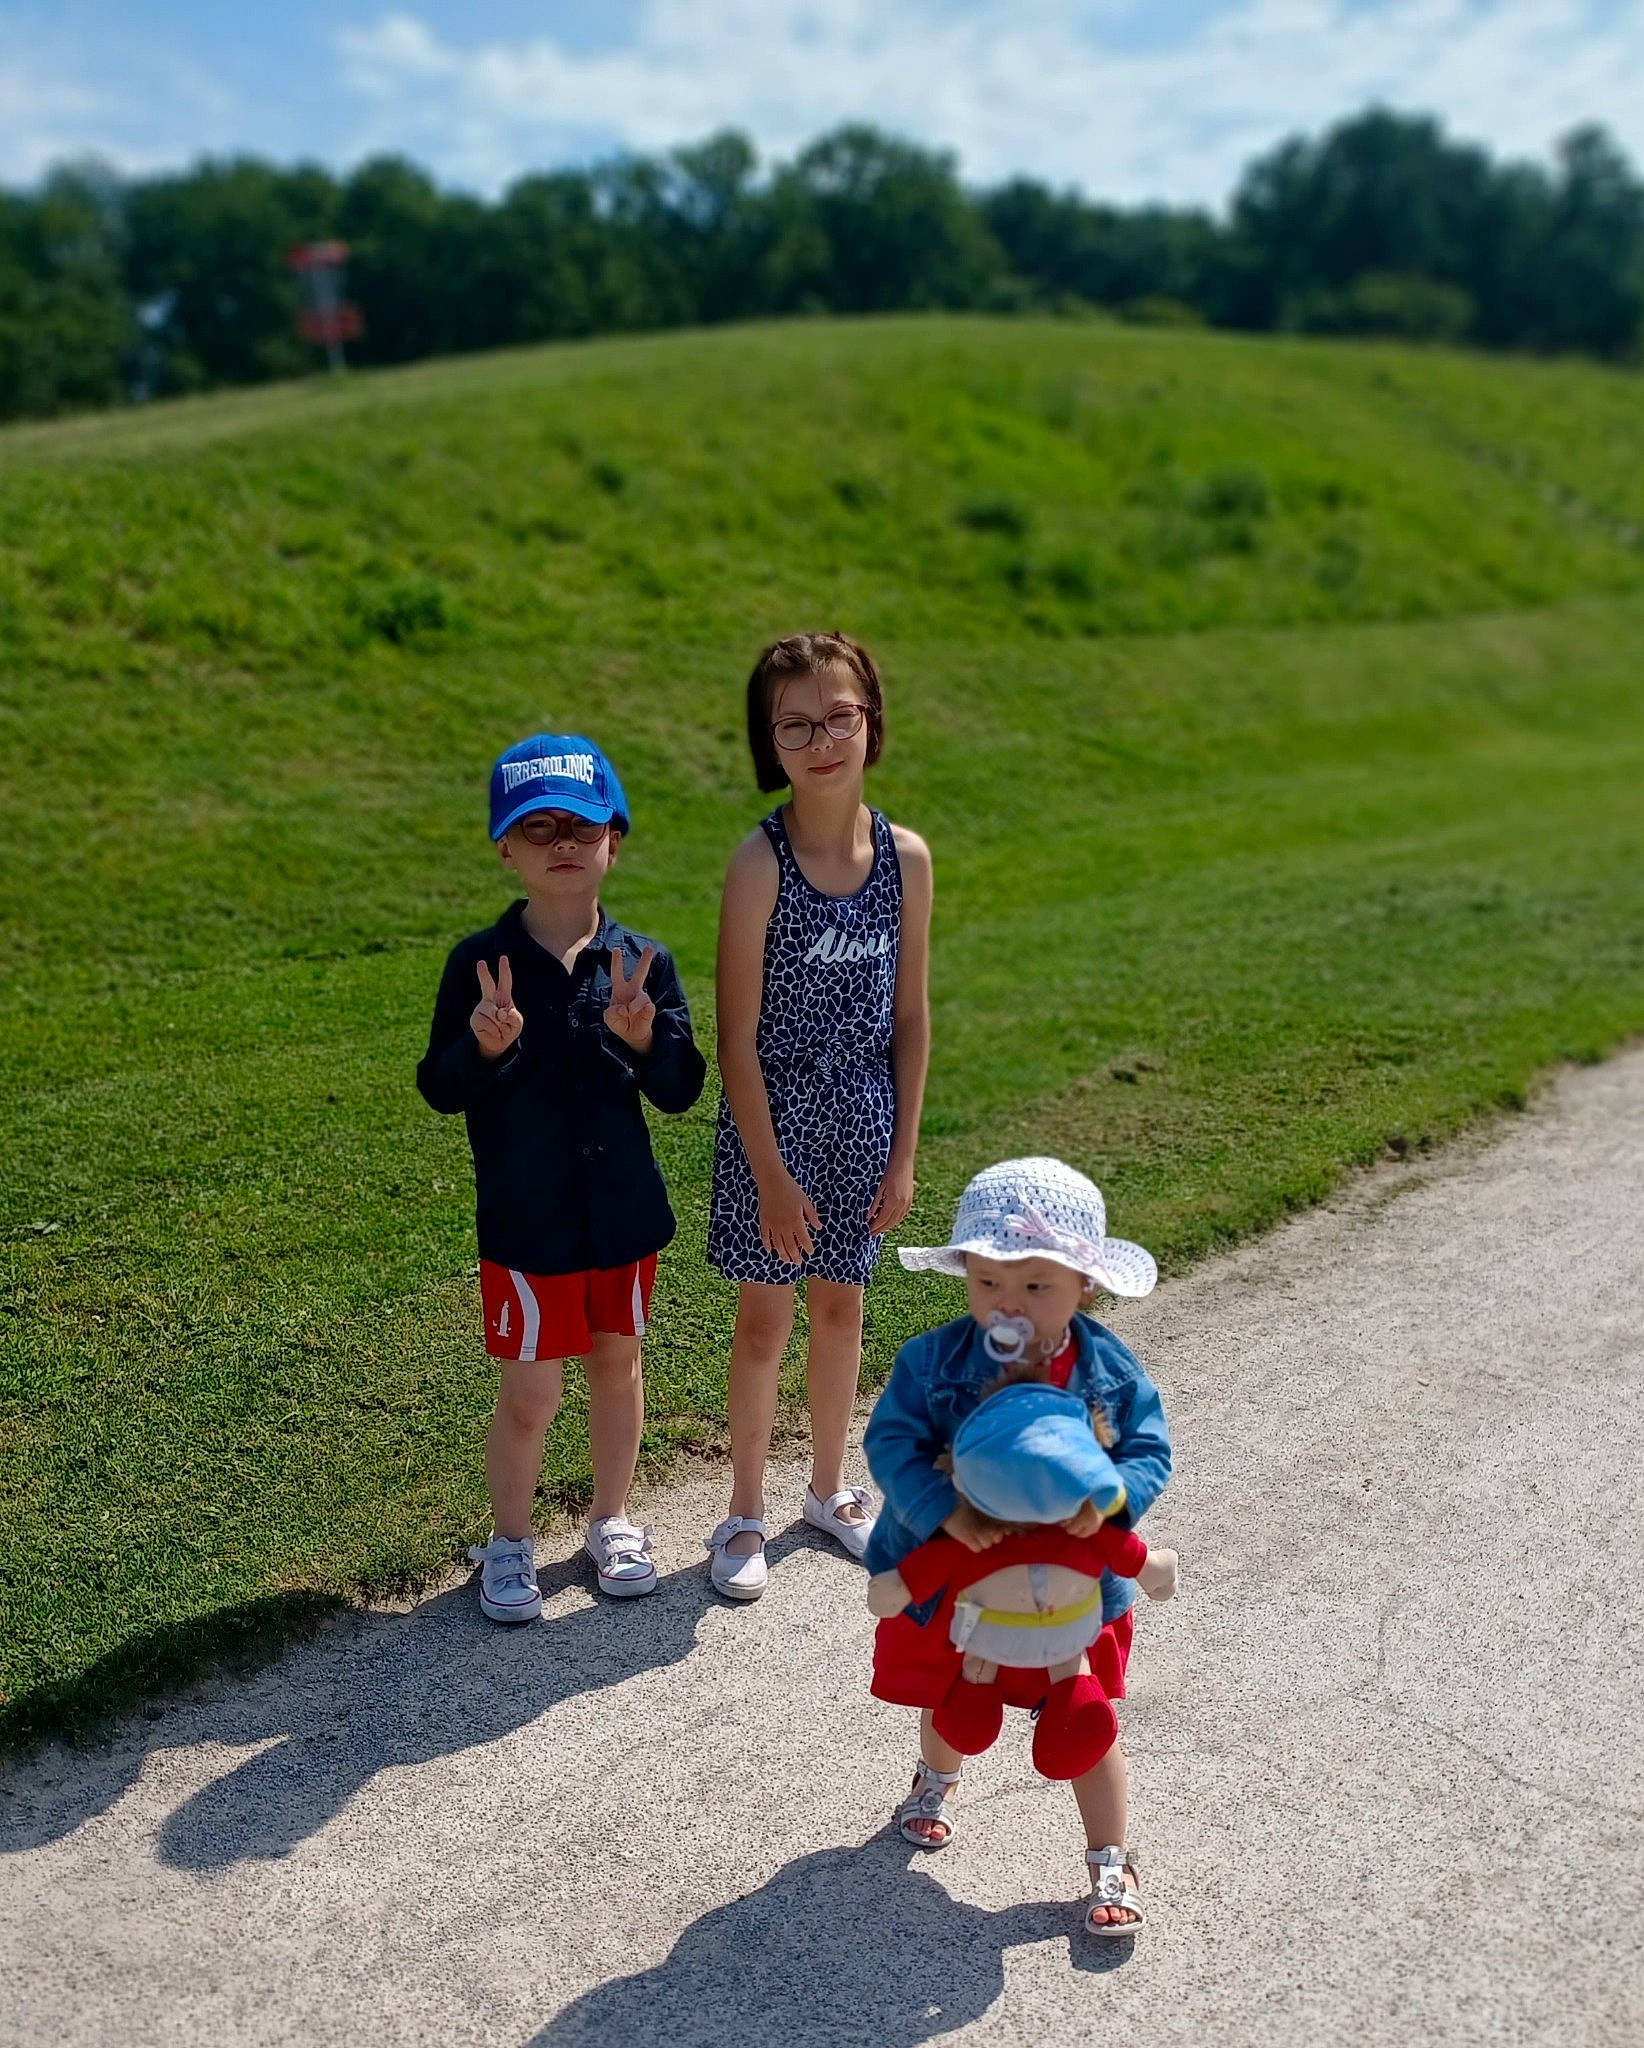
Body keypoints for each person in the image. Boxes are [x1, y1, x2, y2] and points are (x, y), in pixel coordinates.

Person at [417, 733, 706, 1623]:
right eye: (537, 828)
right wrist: (484, 1047)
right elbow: (440, 1087)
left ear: (615, 838)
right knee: (532, 1395)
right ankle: (510, 1542)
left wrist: (644, 1037)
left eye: (582, 825)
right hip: (527, 1224)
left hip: (622, 1219)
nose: (563, 843)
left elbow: (682, 1089)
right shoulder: (478, 963)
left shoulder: (641, 962)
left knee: (619, 1368)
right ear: (506, 847)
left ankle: (611, 1520)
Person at [863, 1157, 1172, 1934]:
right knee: (951, 1689)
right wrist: (942, 1511)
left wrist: (1112, 1499)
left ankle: (1110, 1857)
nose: (1008, 1303)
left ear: (1083, 1286)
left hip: (1072, 1581)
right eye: (988, 1282)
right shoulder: (934, 1361)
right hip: (965, 1572)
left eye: (1035, 1285)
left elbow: (1148, 1448)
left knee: (1083, 1715)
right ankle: (936, 1778)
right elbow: (893, 1443)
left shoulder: (1106, 1370)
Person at [705, 632, 933, 1599]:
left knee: (843, 1306)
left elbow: (911, 1018)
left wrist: (903, 1156)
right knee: (765, 1320)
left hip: (864, 1121)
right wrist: (769, 1173)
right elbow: (736, 1039)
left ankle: (830, 1490)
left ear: (871, 722)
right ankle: (744, 1511)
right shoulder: (759, 863)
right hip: (777, 1121)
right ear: (771, 742)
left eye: (839, 717)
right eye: (795, 725)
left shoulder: (906, 859)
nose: (821, 741)